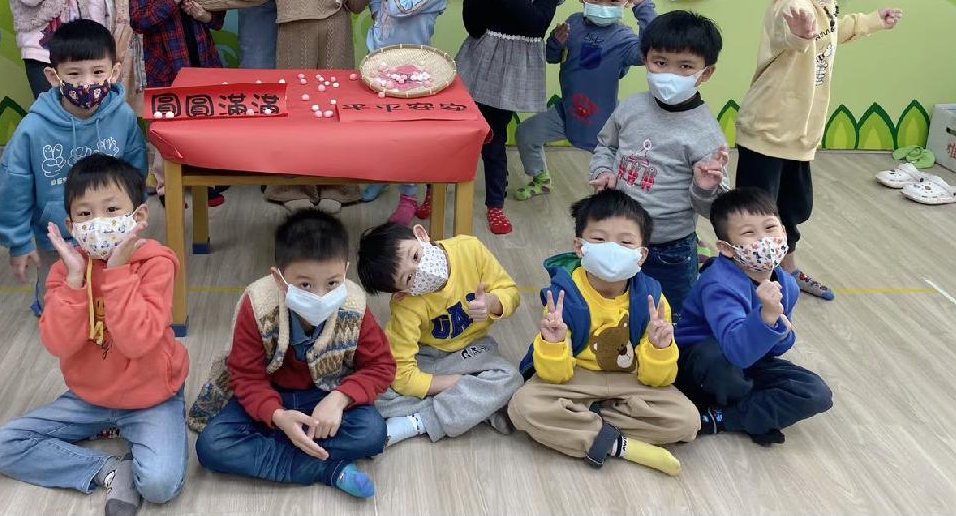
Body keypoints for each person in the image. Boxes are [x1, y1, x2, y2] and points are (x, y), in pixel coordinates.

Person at [0, 154, 188, 514]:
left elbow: (137, 342)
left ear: (139, 216)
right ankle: (110, 470)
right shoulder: (67, 271)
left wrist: (118, 273)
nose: (99, 222)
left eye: (112, 210)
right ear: (71, 224)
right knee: (3, 446)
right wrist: (76, 281)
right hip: (89, 398)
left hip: (151, 397)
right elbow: (57, 343)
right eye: (85, 214)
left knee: (159, 485)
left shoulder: (156, 264)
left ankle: (136, 446)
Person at [180, 0, 368, 213]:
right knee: (296, 113)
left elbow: (358, 3)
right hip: (293, 38)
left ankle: (337, 185)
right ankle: (291, 186)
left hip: (337, 38)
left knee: (333, 111)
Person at [735, 0, 902, 300]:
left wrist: (872, 21)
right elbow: (789, 32)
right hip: (768, 129)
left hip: (801, 133)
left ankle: (787, 270)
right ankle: (745, 279)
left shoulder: (825, 0)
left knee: (792, 207)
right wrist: (799, 31)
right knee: (756, 211)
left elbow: (831, 31)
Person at [189, 210, 393, 500]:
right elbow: (246, 377)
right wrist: (278, 416)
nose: (320, 296)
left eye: (332, 283)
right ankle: (328, 470)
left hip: (323, 395)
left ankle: (279, 447)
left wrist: (339, 399)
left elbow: (381, 366)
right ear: (279, 278)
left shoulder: (354, 304)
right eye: (305, 285)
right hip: (269, 394)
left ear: (346, 272)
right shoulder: (258, 304)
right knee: (212, 445)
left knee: (372, 432)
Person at [507, 190, 699, 476]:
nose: (612, 249)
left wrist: (660, 349)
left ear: (642, 254)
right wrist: (553, 344)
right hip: (576, 375)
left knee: (687, 420)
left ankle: (585, 420)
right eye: (599, 239)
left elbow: (657, 379)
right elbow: (554, 375)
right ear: (579, 246)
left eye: (625, 242)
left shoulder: (653, 298)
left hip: (631, 377)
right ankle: (622, 445)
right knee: (523, 406)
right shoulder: (563, 296)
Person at [0, 18, 147, 316]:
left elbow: (135, 170)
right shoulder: (33, 129)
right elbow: (13, 186)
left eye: (98, 72)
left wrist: (133, 220)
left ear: (114, 72)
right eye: (74, 73)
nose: (87, 82)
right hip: (56, 240)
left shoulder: (123, 117)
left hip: (112, 232)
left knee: (112, 302)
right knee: (58, 309)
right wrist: (18, 241)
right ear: (54, 77)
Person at [589, 10, 730, 313]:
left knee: (669, 317)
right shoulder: (631, 107)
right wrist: (603, 171)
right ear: (645, 59)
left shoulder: (707, 135)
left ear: (706, 73)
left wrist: (705, 187)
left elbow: (713, 210)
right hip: (617, 236)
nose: (670, 74)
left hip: (670, 249)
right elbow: (606, 146)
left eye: (685, 66)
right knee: (614, 311)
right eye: (660, 62)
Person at [675, 187, 832, 446]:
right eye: (749, 233)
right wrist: (766, 317)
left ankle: (724, 417)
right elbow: (735, 351)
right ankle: (751, 413)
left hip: (749, 363)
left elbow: (777, 347)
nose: (764, 240)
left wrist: (780, 331)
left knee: (815, 392)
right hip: (704, 366)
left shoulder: (787, 284)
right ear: (727, 248)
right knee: (717, 360)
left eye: (770, 228)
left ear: (784, 232)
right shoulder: (719, 284)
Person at [355, 221, 522, 446]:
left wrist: (493, 302)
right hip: (429, 357)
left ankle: (419, 421)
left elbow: (511, 292)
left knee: (509, 377)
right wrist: (457, 382)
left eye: (415, 256)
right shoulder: (406, 304)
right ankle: (476, 406)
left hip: (473, 350)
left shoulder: (470, 249)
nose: (421, 270)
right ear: (401, 293)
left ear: (421, 234)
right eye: (409, 278)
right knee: (379, 390)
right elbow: (401, 373)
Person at [457, 0, 566, 235]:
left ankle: (495, 204)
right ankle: (435, 188)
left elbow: (535, 24)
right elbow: (474, 27)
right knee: (459, 130)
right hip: (477, 63)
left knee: (493, 135)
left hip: (510, 74)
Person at [514, 0, 656, 201]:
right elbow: (551, 57)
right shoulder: (574, 23)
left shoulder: (624, 39)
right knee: (526, 133)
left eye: (613, 0)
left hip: (602, 122)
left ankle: (622, 203)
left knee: (615, 172)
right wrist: (556, 42)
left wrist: (644, 6)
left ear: (627, 0)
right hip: (567, 112)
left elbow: (652, 51)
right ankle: (541, 179)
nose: (603, 5)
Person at [128, 0, 226, 207]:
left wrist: (203, 15)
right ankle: (166, 187)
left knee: (205, 126)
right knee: (166, 128)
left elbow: (218, 21)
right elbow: (140, 21)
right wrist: (172, 0)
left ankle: (207, 182)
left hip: (202, 64)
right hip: (164, 68)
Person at [360, 0, 448, 223]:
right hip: (378, 62)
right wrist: (375, 11)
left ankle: (408, 195)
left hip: (412, 71)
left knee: (407, 136)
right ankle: (383, 174)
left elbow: (400, 6)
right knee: (379, 130)